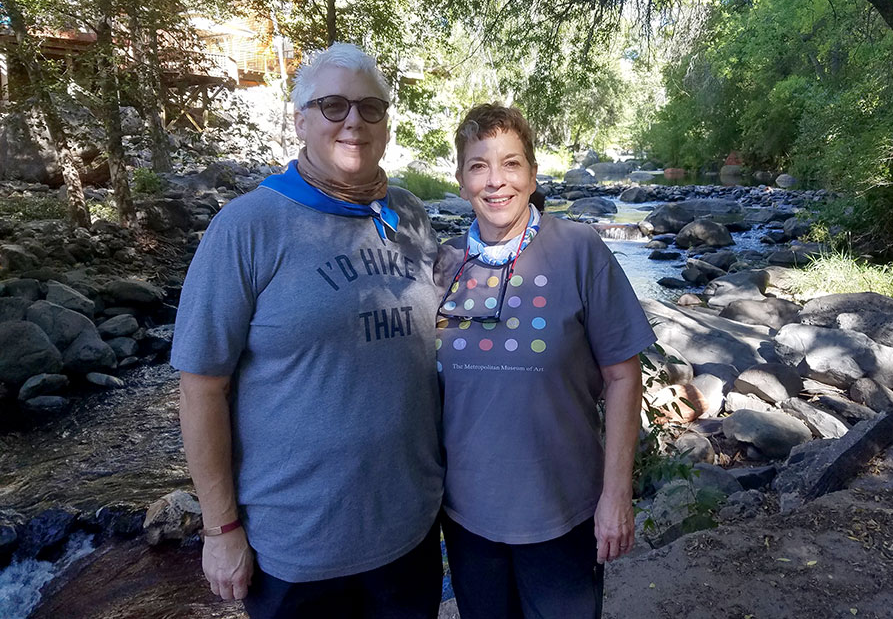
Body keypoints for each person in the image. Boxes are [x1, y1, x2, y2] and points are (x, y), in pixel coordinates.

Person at [172, 43, 444, 619]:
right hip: (295, 553)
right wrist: (221, 529)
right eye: (333, 105)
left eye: (371, 108)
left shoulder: (410, 216)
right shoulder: (246, 227)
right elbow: (200, 389)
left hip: (410, 533)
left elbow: (450, 317)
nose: (354, 121)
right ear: (300, 121)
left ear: (387, 125)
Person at [434, 103, 655, 619]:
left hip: (562, 512)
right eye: (478, 165)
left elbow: (624, 375)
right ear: (461, 179)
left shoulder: (580, 249)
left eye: (511, 164)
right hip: (467, 519)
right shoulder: (443, 262)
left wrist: (616, 496)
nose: (496, 181)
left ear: (533, 175)